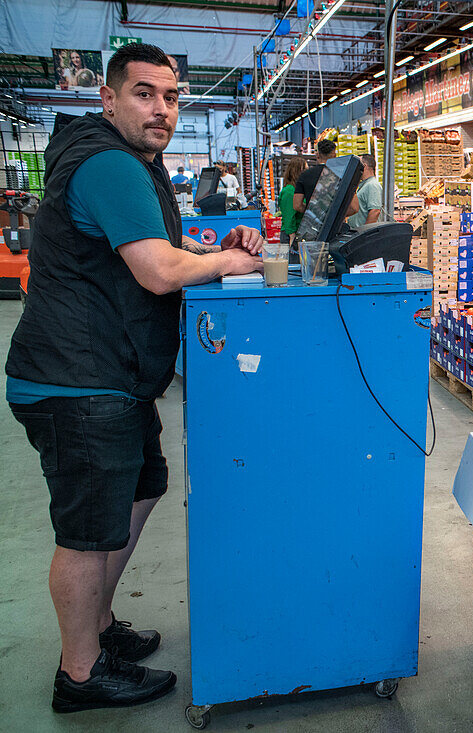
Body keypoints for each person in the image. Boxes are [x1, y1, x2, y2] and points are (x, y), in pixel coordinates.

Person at [5, 42, 262, 714]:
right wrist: (224, 267)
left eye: (171, 96)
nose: (161, 109)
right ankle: (81, 674)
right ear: (108, 98)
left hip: (107, 375)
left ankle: (96, 623)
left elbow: (145, 251)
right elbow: (153, 269)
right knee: (89, 527)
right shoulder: (110, 165)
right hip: (78, 380)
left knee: (143, 485)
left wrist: (208, 251)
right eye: (145, 93)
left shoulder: (124, 163)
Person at [293, 138, 357, 220]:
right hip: (337, 227)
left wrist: (314, 212)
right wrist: (335, 216)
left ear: (317, 155)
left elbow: (297, 205)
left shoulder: (305, 175)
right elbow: (354, 208)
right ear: (335, 156)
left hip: (314, 225)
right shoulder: (344, 175)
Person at [346, 153, 383, 229]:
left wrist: (364, 232)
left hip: (363, 235)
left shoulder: (372, 185)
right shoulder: (364, 185)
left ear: (364, 166)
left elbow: (375, 211)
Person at [278, 156, 307, 245]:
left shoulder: (298, 190)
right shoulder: (289, 191)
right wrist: (292, 236)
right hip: (291, 235)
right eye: (305, 169)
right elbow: (289, 216)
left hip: (298, 233)